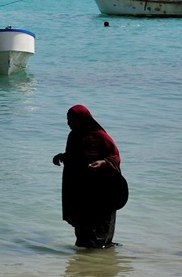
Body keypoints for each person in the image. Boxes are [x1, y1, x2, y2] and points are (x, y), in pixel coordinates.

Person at [52, 104, 126, 249]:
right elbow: (77, 157)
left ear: (82, 119)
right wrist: (62, 156)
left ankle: (101, 255)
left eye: (72, 121)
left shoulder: (100, 136)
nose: (69, 124)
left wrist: (103, 162)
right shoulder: (73, 136)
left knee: (99, 225)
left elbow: (115, 156)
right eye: (68, 121)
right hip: (81, 188)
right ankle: (87, 263)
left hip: (100, 190)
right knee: (83, 227)